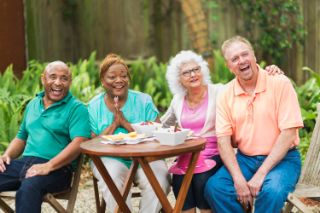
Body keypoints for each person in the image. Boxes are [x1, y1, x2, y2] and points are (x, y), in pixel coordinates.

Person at [161, 50, 283, 213]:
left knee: (201, 181)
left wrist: (269, 72)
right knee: (179, 182)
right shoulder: (177, 100)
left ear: (202, 70)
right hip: (186, 156)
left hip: (212, 152)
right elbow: (162, 124)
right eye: (186, 72)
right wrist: (145, 128)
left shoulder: (219, 91)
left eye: (196, 69)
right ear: (179, 79)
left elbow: (245, 82)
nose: (192, 74)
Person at [204, 36, 303, 213]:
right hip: (245, 159)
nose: (241, 61)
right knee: (215, 188)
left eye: (245, 54)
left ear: (254, 56)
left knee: (271, 191)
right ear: (229, 66)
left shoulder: (280, 83)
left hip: (283, 160)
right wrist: (238, 180)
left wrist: (260, 175)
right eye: (234, 59)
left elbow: (288, 133)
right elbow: (223, 142)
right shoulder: (225, 94)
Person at [0, 61, 91, 213]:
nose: (58, 82)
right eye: (53, 77)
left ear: (70, 81)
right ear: (43, 79)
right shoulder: (33, 104)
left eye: (64, 78)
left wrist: (48, 166)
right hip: (23, 164)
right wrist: (6, 155)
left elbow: (79, 143)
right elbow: (21, 136)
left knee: (28, 188)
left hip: (58, 169)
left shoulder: (77, 108)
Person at [87, 53, 170, 213]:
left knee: (160, 179)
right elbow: (91, 143)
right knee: (111, 177)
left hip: (147, 156)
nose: (119, 80)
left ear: (128, 79)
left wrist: (126, 123)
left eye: (123, 76)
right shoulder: (93, 106)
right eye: (112, 77)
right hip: (109, 158)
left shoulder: (143, 100)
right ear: (103, 81)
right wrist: (114, 124)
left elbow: (158, 134)